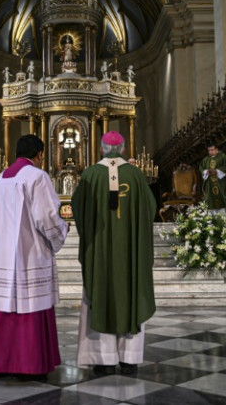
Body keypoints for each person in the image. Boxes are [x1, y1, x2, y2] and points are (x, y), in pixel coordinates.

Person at [0, 135, 69, 378]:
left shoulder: (1, 179)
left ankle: (0, 363)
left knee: (3, 306)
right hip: (29, 253)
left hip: (2, 255)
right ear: (39, 154)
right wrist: (63, 230)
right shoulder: (37, 176)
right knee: (31, 304)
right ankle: (30, 365)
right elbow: (47, 217)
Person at [71, 131, 156, 376]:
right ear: (122, 149)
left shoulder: (90, 175)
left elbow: (77, 209)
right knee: (131, 291)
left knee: (101, 293)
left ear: (100, 149)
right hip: (130, 252)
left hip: (99, 252)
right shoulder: (136, 175)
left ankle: (104, 359)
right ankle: (129, 359)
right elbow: (150, 209)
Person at [200, 143, 226, 218]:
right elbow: (201, 168)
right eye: (209, 150)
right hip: (210, 184)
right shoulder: (206, 159)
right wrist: (206, 171)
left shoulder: (223, 157)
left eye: (212, 150)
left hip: (221, 183)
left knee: (223, 201)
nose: (210, 152)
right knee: (210, 201)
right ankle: (212, 218)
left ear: (217, 149)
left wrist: (217, 171)